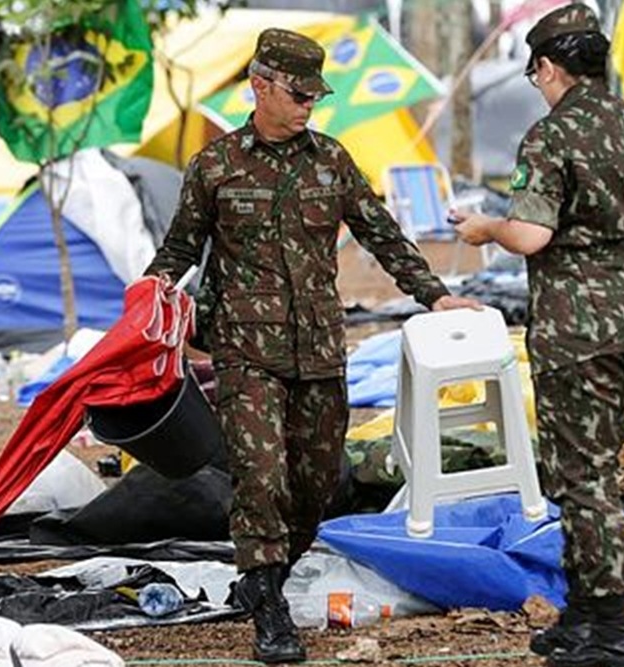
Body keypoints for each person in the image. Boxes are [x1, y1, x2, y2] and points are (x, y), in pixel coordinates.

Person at [144, 28, 479, 664]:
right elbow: (180, 249)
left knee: (319, 479)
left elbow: (382, 235)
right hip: (246, 350)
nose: (307, 107)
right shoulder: (215, 167)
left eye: (313, 97)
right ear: (260, 87)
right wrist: (151, 300)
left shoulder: (331, 160)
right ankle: (267, 599)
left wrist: (435, 296)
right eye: (297, 94)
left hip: (320, 347)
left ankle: (270, 567)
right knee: (261, 475)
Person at [448, 5, 624, 667]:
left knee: (585, 479)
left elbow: (532, 234)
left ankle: (612, 630)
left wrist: (486, 226)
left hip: (581, 322)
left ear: (548, 67)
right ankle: (583, 615)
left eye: (536, 75)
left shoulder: (552, 136)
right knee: (594, 468)